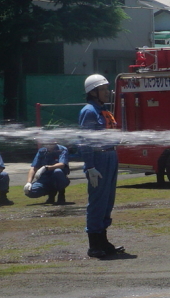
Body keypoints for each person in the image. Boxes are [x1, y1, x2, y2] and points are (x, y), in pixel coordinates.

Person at [79, 73, 125, 259]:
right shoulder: (89, 111)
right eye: (104, 89)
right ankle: (94, 244)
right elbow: (84, 140)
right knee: (97, 201)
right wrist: (90, 166)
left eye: (107, 89)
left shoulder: (104, 110)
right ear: (93, 92)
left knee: (108, 201)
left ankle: (103, 240)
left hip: (111, 156)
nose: (107, 92)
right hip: (98, 159)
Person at [24, 140, 70, 205]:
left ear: (55, 142)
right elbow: (33, 167)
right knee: (30, 192)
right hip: (45, 179)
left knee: (57, 171)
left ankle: (61, 194)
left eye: (50, 142)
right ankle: (51, 193)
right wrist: (28, 182)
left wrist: (46, 167)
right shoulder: (41, 151)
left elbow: (62, 164)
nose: (49, 145)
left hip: (58, 177)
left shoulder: (62, 149)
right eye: (47, 143)